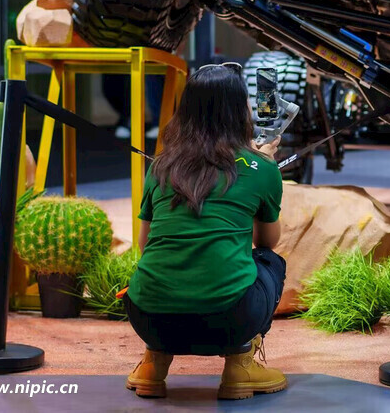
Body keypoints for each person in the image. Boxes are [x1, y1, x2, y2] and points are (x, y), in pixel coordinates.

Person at [122, 64, 288, 400]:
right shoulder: (261, 167)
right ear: (241, 110)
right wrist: (264, 162)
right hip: (228, 320)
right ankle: (240, 366)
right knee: (271, 263)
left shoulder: (161, 166)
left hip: (148, 318)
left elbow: (144, 246)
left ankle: (153, 363)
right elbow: (266, 243)